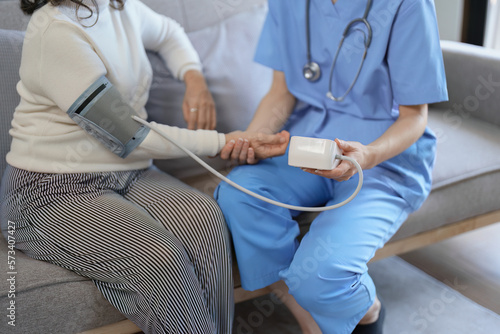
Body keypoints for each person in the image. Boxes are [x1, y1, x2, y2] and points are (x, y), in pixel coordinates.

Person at [0, 0, 289, 333]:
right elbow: (130, 134)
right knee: (159, 257)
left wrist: (194, 78)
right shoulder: (55, 32)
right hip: (48, 189)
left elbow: (169, 32)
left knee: (205, 219)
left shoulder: (118, 7)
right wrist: (224, 142)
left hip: (131, 172)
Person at [215, 0, 448, 333]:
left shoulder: (407, 5)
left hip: (381, 157)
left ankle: (368, 313)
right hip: (303, 143)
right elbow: (281, 92)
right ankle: (309, 323)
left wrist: (366, 155)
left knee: (321, 273)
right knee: (238, 195)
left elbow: (415, 117)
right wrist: (256, 139)